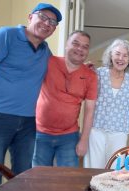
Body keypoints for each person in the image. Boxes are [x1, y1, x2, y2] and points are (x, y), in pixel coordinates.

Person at [0, 3, 61, 185]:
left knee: (23, 177)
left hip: (28, 123)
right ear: (31, 17)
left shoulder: (45, 51)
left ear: (54, 30)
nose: (47, 23)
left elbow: (62, 69)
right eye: (43, 17)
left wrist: (83, 67)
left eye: (53, 22)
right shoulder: (6, 35)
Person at [32, 30, 97, 168]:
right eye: (76, 43)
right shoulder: (48, 62)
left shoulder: (90, 76)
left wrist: (84, 140)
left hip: (69, 137)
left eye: (85, 47)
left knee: (68, 180)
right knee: (38, 179)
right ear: (66, 45)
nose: (80, 49)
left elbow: (90, 110)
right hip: (40, 134)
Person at [84, 39, 129, 168]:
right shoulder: (98, 73)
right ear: (110, 55)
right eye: (117, 54)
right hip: (96, 130)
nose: (121, 58)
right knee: (93, 168)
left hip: (120, 132)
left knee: (115, 170)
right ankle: (93, 189)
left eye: (125, 55)